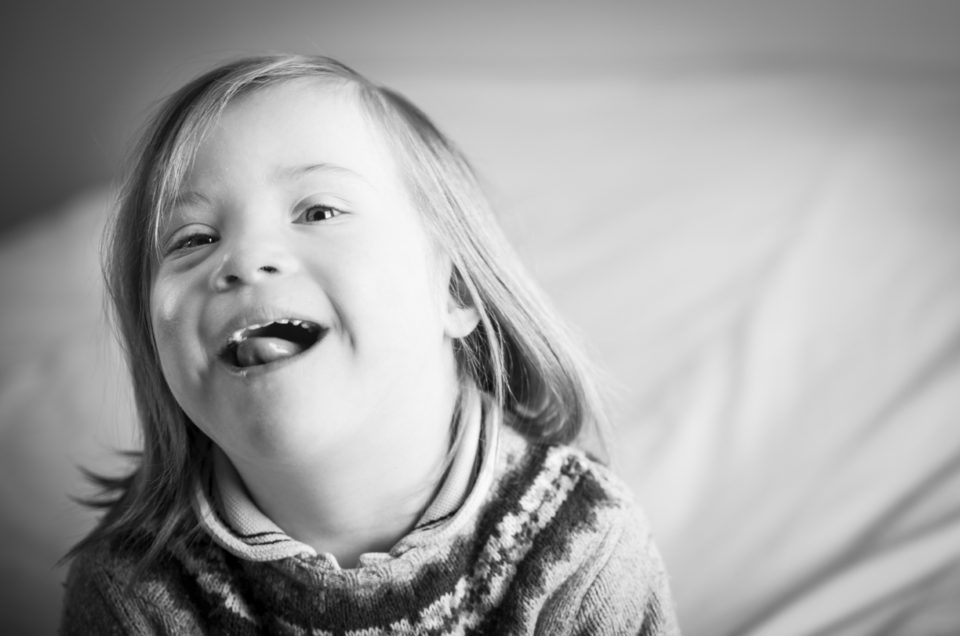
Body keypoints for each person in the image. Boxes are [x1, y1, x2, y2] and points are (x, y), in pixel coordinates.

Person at [60, 54, 679, 635]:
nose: (243, 261)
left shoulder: (580, 544)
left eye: (320, 211)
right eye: (192, 238)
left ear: (455, 290)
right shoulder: (133, 591)